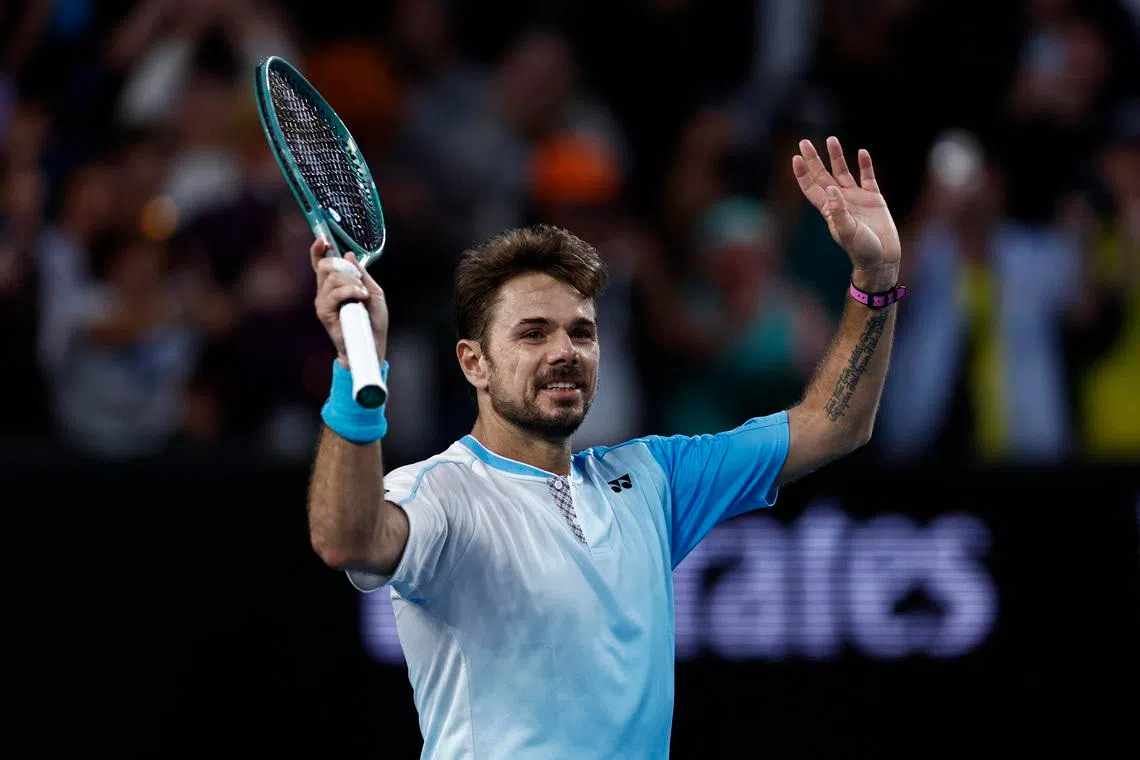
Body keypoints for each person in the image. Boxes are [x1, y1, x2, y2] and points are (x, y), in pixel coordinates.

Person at [306, 137, 903, 758]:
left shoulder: (652, 478)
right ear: (474, 363)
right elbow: (348, 540)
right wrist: (357, 368)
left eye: (581, 333)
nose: (565, 351)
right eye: (533, 333)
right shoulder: (440, 493)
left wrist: (877, 277)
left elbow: (831, 425)